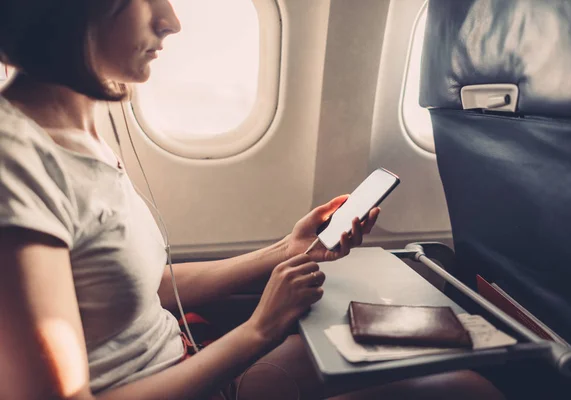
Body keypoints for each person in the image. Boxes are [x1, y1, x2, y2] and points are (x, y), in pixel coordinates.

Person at [0, 1, 506, 399]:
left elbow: (148, 288)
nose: (171, 20)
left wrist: (288, 250)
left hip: (190, 362)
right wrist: (258, 331)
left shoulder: (83, 131)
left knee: (460, 384)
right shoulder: (16, 164)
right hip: (189, 378)